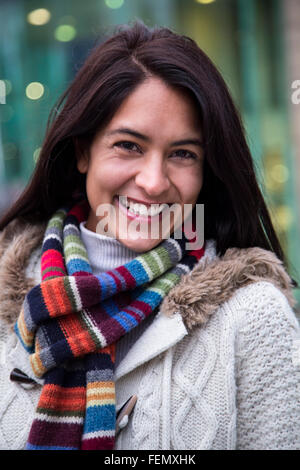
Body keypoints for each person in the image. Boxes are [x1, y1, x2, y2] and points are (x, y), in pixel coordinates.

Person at [0, 20, 299, 451]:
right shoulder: (8, 295)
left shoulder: (253, 316)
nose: (154, 182)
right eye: (129, 145)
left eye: (182, 154)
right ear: (84, 151)